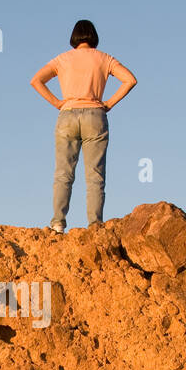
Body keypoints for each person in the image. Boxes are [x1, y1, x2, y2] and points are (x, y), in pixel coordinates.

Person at [30, 20, 136, 232]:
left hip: (67, 115)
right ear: (94, 36)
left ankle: (58, 223)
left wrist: (58, 102)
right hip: (95, 116)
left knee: (63, 173)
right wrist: (109, 103)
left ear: (74, 37)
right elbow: (130, 80)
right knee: (95, 175)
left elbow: (36, 80)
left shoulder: (63, 59)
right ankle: (95, 225)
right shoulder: (104, 58)